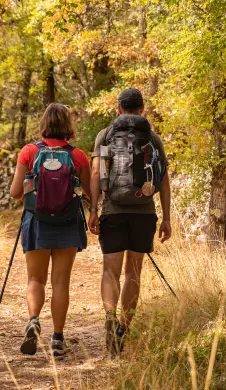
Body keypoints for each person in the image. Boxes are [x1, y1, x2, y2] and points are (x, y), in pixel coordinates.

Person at [88, 88, 172, 355]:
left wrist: (93, 209)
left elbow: (96, 172)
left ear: (118, 109)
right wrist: (166, 217)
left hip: (113, 210)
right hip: (144, 212)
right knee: (133, 273)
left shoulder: (106, 135)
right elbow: (164, 179)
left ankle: (110, 317)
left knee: (109, 271)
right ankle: (123, 329)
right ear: (142, 109)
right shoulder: (153, 138)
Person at [10, 103, 91, 357]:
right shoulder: (78, 156)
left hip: (37, 222)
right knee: (60, 283)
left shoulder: (29, 152)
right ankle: (57, 338)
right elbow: (89, 193)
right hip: (67, 224)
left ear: (44, 123)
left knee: (35, 279)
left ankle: (34, 320)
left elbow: (15, 193)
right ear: (68, 125)